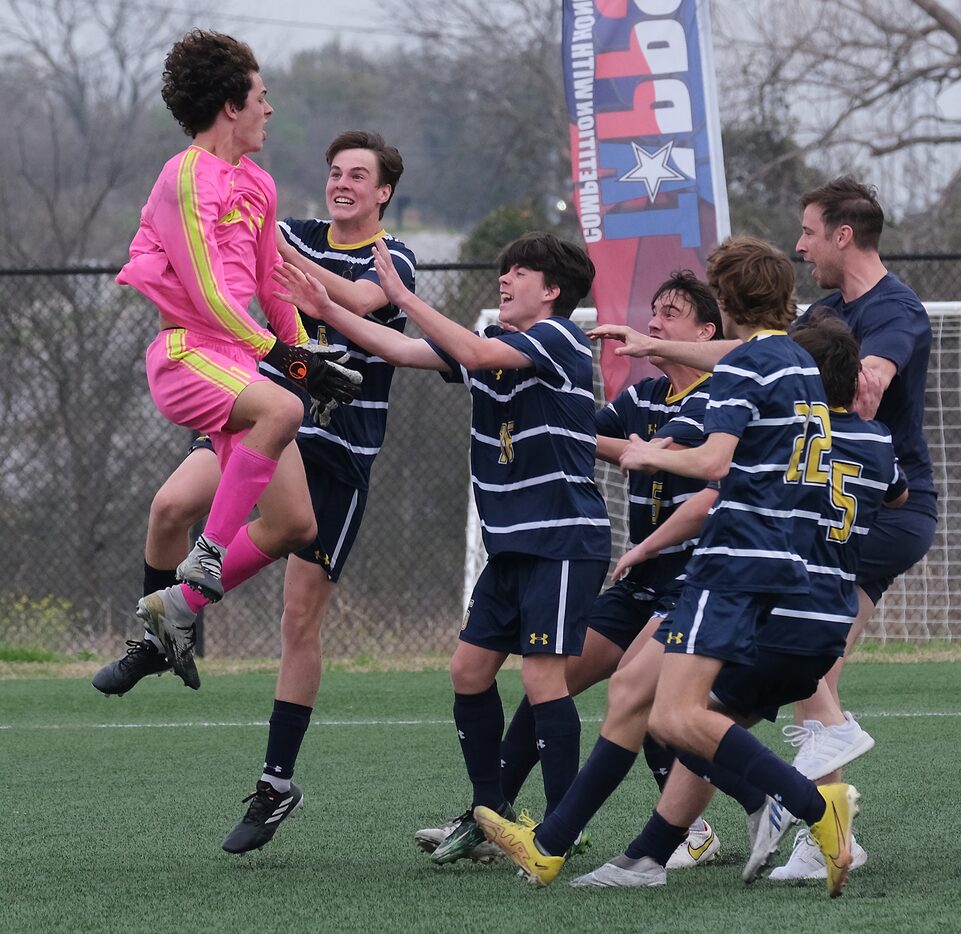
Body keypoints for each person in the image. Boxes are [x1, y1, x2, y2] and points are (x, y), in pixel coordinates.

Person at [474, 235, 860, 898]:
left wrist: (650, 455)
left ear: (729, 298)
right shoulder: (791, 360)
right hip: (768, 560)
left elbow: (711, 462)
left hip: (730, 559)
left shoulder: (743, 370)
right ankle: (552, 848)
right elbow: (731, 358)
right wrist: (656, 347)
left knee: (676, 718)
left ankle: (809, 805)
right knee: (632, 697)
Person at [95, 129, 414, 855]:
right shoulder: (292, 229)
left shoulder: (392, 257)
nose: (342, 184)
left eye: (358, 175)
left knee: (298, 619)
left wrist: (285, 259)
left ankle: (275, 785)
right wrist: (269, 249)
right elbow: (253, 272)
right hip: (267, 414)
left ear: (383, 192)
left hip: (340, 448)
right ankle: (161, 634)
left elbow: (363, 299)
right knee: (170, 504)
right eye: (335, 172)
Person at [272, 232, 611, 866]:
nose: (505, 279)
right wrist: (325, 310)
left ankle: (560, 836)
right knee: (467, 671)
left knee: (541, 678)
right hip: (512, 543)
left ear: (553, 290)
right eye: (504, 269)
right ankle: (492, 817)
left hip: (563, 537)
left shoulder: (558, 339)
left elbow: (475, 352)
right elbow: (400, 347)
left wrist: (399, 293)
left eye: (520, 271)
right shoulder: (499, 347)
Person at [562, 309, 905, 893]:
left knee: (676, 714)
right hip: (826, 606)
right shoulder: (873, 442)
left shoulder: (783, 439)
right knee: (692, 714)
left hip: (758, 596)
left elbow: (710, 495)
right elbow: (896, 495)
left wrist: (646, 526)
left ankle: (792, 802)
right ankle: (651, 851)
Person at [413, 270, 725, 867]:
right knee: (548, 683)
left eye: (671, 312)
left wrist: (574, 427)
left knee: (647, 703)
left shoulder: (714, 398)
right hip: (640, 580)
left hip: (694, 578)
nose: (654, 322)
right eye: (653, 310)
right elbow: (595, 432)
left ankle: (737, 812)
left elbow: (662, 458)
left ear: (706, 332)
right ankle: (493, 815)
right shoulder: (643, 397)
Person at [112, 30, 362, 690]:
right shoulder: (183, 178)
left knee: (292, 524)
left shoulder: (258, 183)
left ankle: (175, 610)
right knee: (283, 404)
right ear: (231, 105)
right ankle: (203, 565)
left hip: (239, 363)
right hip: (188, 355)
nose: (269, 109)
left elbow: (270, 282)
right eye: (261, 96)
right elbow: (210, 299)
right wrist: (294, 366)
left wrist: (305, 352)